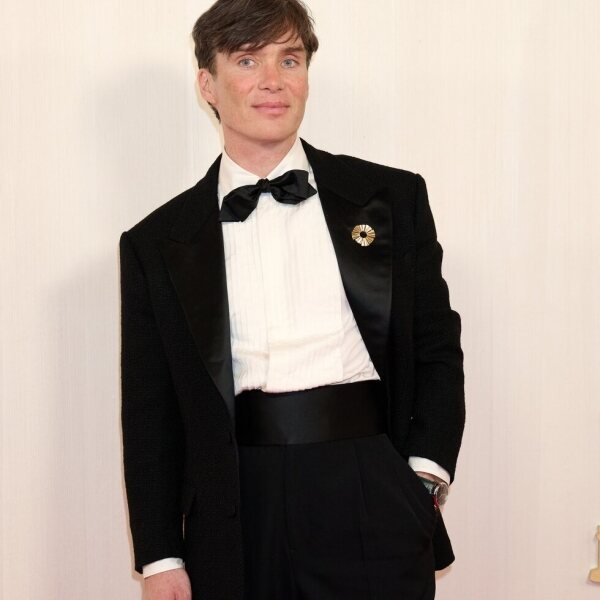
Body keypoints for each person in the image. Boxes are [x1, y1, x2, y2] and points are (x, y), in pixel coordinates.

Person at [119, 0, 465, 598]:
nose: (273, 80)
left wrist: (423, 478)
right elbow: (150, 409)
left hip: (370, 487)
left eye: (290, 59)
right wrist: (160, 558)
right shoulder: (156, 242)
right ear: (208, 84)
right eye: (246, 60)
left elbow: (437, 348)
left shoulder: (391, 198)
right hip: (233, 503)